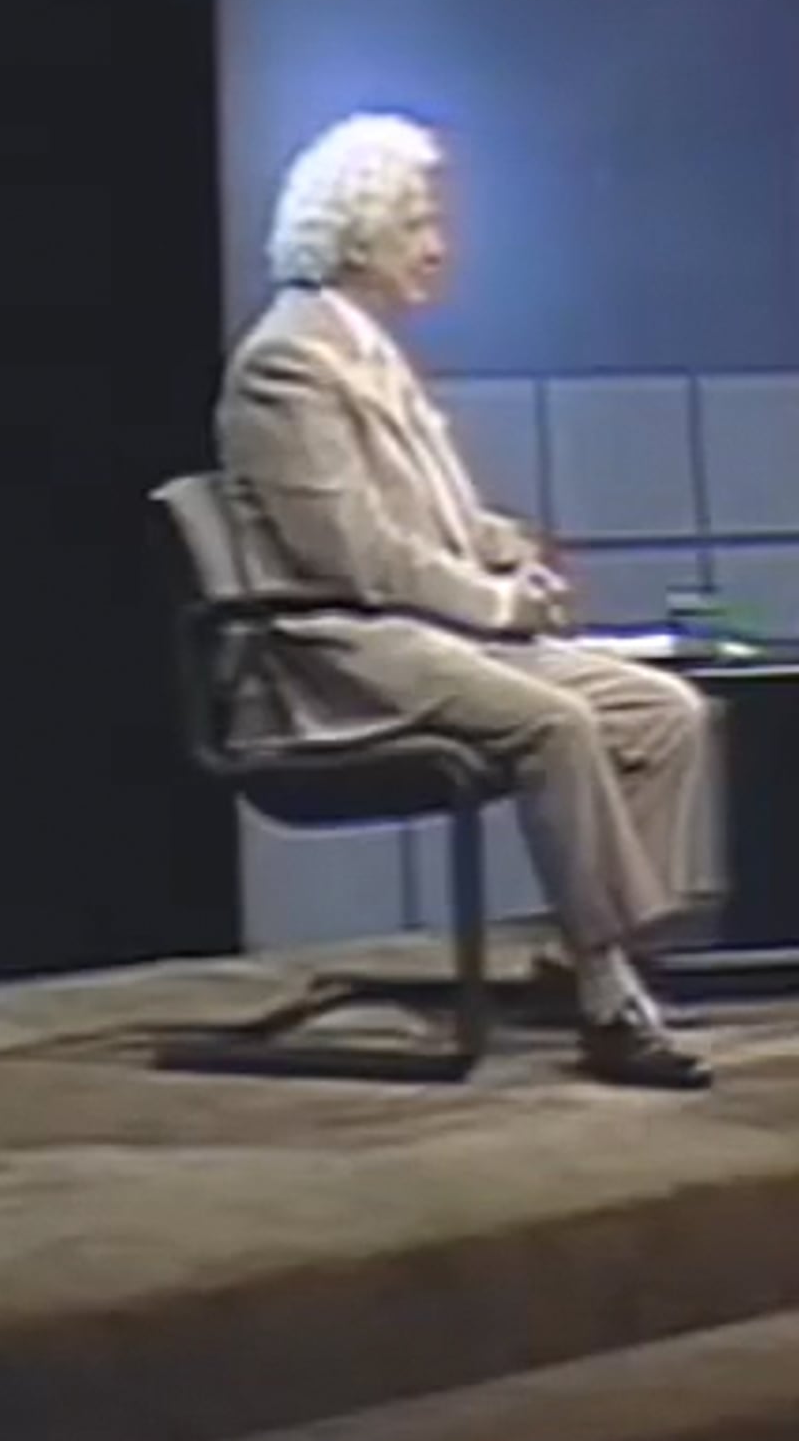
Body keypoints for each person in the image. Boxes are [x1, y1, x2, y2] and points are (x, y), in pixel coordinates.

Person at [215, 112, 715, 1089]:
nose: (438, 249)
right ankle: (610, 1000)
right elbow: (353, 556)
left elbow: (427, 516)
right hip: (346, 651)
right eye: (417, 226)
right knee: (557, 723)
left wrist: (504, 548)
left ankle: (579, 953)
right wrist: (496, 605)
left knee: (664, 712)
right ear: (354, 235)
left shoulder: (369, 350)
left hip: (426, 632)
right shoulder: (288, 363)